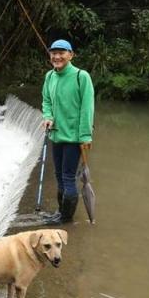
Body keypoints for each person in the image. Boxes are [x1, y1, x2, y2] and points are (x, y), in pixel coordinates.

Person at [41, 39, 94, 223]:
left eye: (61, 52)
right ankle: (61, 212)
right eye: (53, 53)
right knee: (59, 176)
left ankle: (65, 218)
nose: (57, 56)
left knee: (68, 177)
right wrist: (47, 116)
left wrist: (85, 136)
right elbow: (46, 101)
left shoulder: (81, 76)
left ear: (71, 55)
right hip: (56, 134)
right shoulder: (49, 76)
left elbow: (87, 108)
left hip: (74, 137)